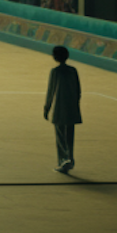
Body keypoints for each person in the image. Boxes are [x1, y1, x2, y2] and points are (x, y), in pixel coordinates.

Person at [43, 45, 81, 174]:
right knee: (70, 135)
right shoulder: (73, 70)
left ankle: (63, 161)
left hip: (60, 108)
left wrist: (46, 107)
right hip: (72, 107)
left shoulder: (55, 71)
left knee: (60, 136)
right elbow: (78, 90)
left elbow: (51, 91)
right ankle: (70, 158)